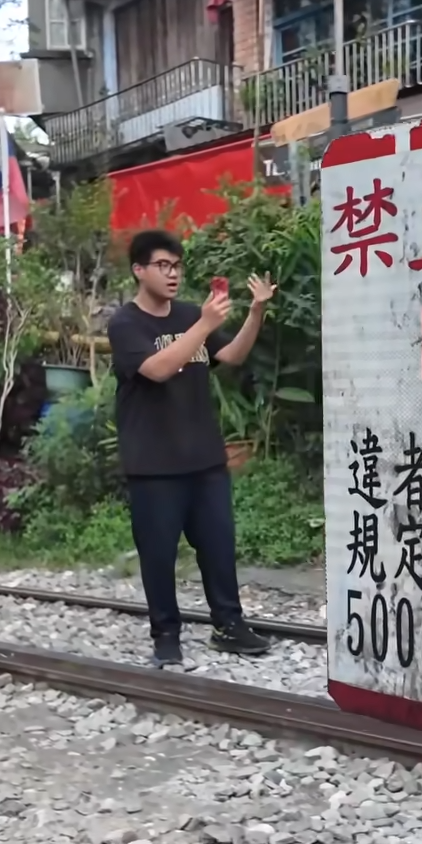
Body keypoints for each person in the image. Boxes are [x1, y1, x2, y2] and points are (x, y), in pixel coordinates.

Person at [108, 229, 275, 666]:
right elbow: (158, 369)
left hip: (205, 459)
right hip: (153, 464)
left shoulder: (188, 314)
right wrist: (204, 324)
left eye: (177, 266)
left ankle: (229, 626)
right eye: (163, 265)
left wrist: (255, 311)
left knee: (218, 546)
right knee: (159, 556)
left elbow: (232, 355)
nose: (173, 274)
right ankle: (166, 635)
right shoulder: (125, 324)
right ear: (139, 270)